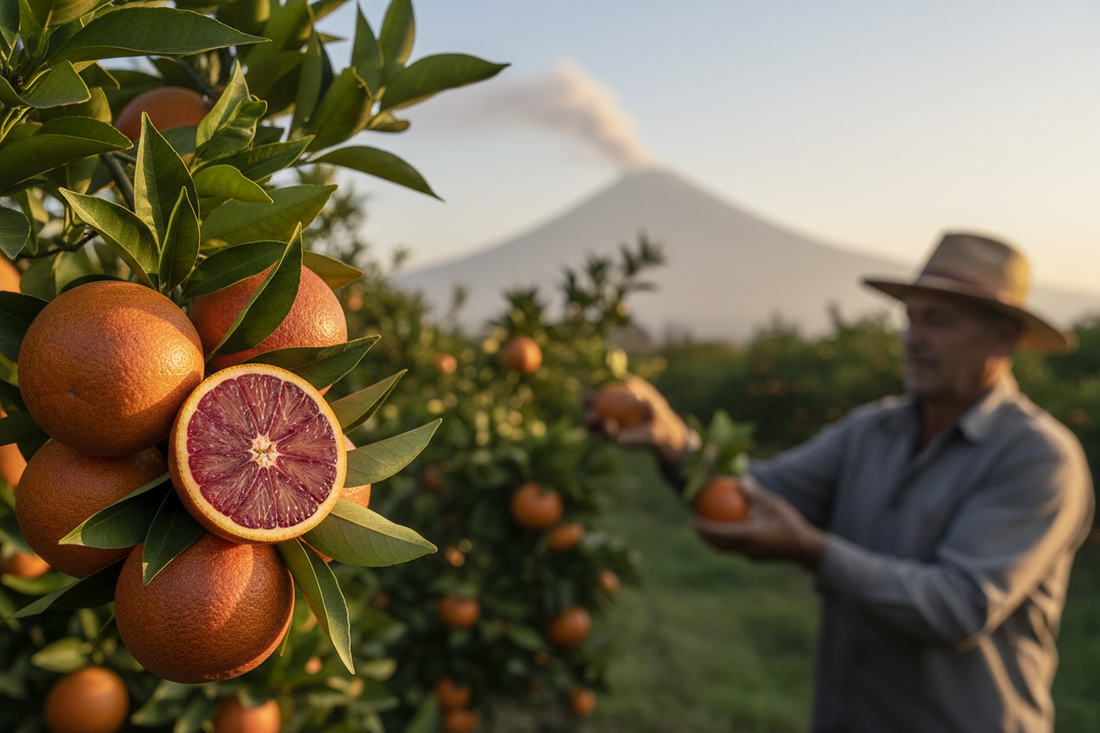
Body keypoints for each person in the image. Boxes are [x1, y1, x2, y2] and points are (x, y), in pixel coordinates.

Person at [598, 232, 1095, 733]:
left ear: (1002, 337)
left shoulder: (1037, 458)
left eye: (937, 322)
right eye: (911, 318)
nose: (912, 339)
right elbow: (757, 491)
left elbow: (958, 606)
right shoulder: (871, 431)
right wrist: (672, 439)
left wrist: (813, 551)